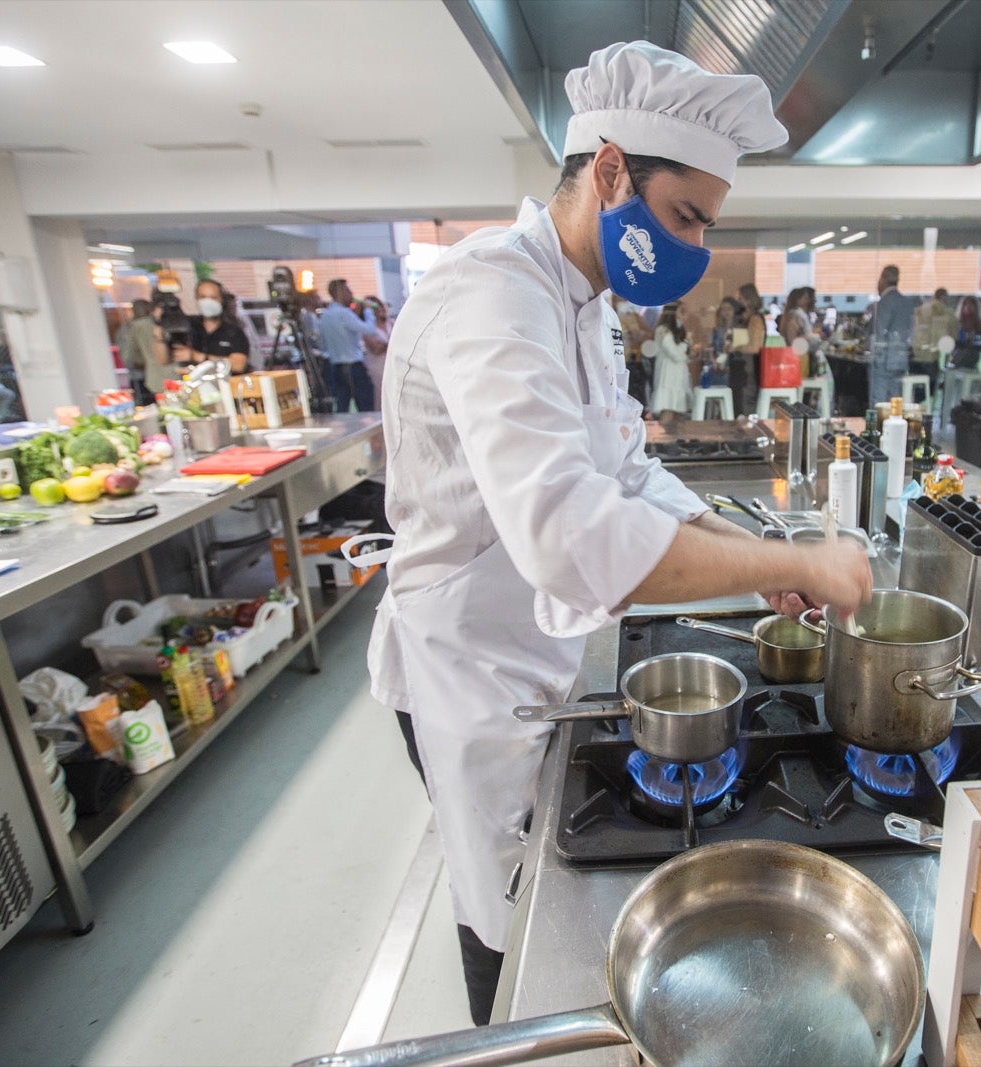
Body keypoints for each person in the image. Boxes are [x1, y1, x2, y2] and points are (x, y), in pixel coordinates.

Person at [359, 41, 871, 1027]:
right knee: (506, 908)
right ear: (607, 169)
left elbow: (626, 469)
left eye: (706, 226)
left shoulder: (580, 302)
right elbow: (570, 534)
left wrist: (736, 539)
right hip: (472, 667)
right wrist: (791, 559)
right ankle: (504, 1033)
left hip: (540, 643)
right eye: (683, 217)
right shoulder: (491, 296)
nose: (689, 248)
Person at [317, 278, 380, 412]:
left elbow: (322, 344)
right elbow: (369, 329)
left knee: (342, 408)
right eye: (348, 290)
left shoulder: (325, 315)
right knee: (366, 407)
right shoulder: (344, 313)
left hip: (336, 367)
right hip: (353, 366)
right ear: (340, 292)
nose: (351, 293)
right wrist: (368, 311)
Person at [869, 265, 914, 407]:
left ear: (883, 279)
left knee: (879, 402)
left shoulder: (884, 303)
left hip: (883, 360)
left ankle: (879, 428)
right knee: (895, 402)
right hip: (900, 359)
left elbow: (879, 331)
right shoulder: (907, 303)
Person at [185, 279, 250, 372]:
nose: (207, 302)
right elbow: (164, 359)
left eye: (213, 297)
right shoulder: (189, 326)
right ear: (196, 299)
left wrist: (198, 356)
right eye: (203, 297)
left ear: (221, 300)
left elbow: (238, 365)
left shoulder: (234, 331)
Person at [726, 283, 765, 417]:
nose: (738, 301)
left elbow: (755, 347)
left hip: (748, 372)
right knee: (738, 406)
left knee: (745, 407)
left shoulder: (755, 319)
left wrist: (735, 347)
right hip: (739, 370)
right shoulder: (743, 318)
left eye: (741, 297)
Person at [650, 302, 692, 420]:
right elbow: (675, 354)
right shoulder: (663, 330)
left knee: (676, 412)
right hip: (667, 377)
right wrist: (686, 342)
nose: (685, 316)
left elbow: (682, 356)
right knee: (667, 410)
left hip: (678, 378)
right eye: (682, 312)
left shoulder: (678, 329)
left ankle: (674, 438)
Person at [116, 299, 158, 404]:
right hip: (140, 378)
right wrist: (148, 364)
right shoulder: (127, 331)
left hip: (159, 374)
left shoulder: (156, 325)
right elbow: (128, 359)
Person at [912, 288, 954, 377]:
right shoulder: (948, 312)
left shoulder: (920, 309)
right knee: (930, 386)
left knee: (916, 386)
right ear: (944, 297)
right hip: (931, 358)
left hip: (915, 356)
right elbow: (953, 337)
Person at [360, 295, 391, 411]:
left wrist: (384, 345)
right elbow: (376, 349)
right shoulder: (368, 329)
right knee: (381, 395)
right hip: (377, 367)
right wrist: (390, 344)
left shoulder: (391, 323)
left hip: (391, 364)